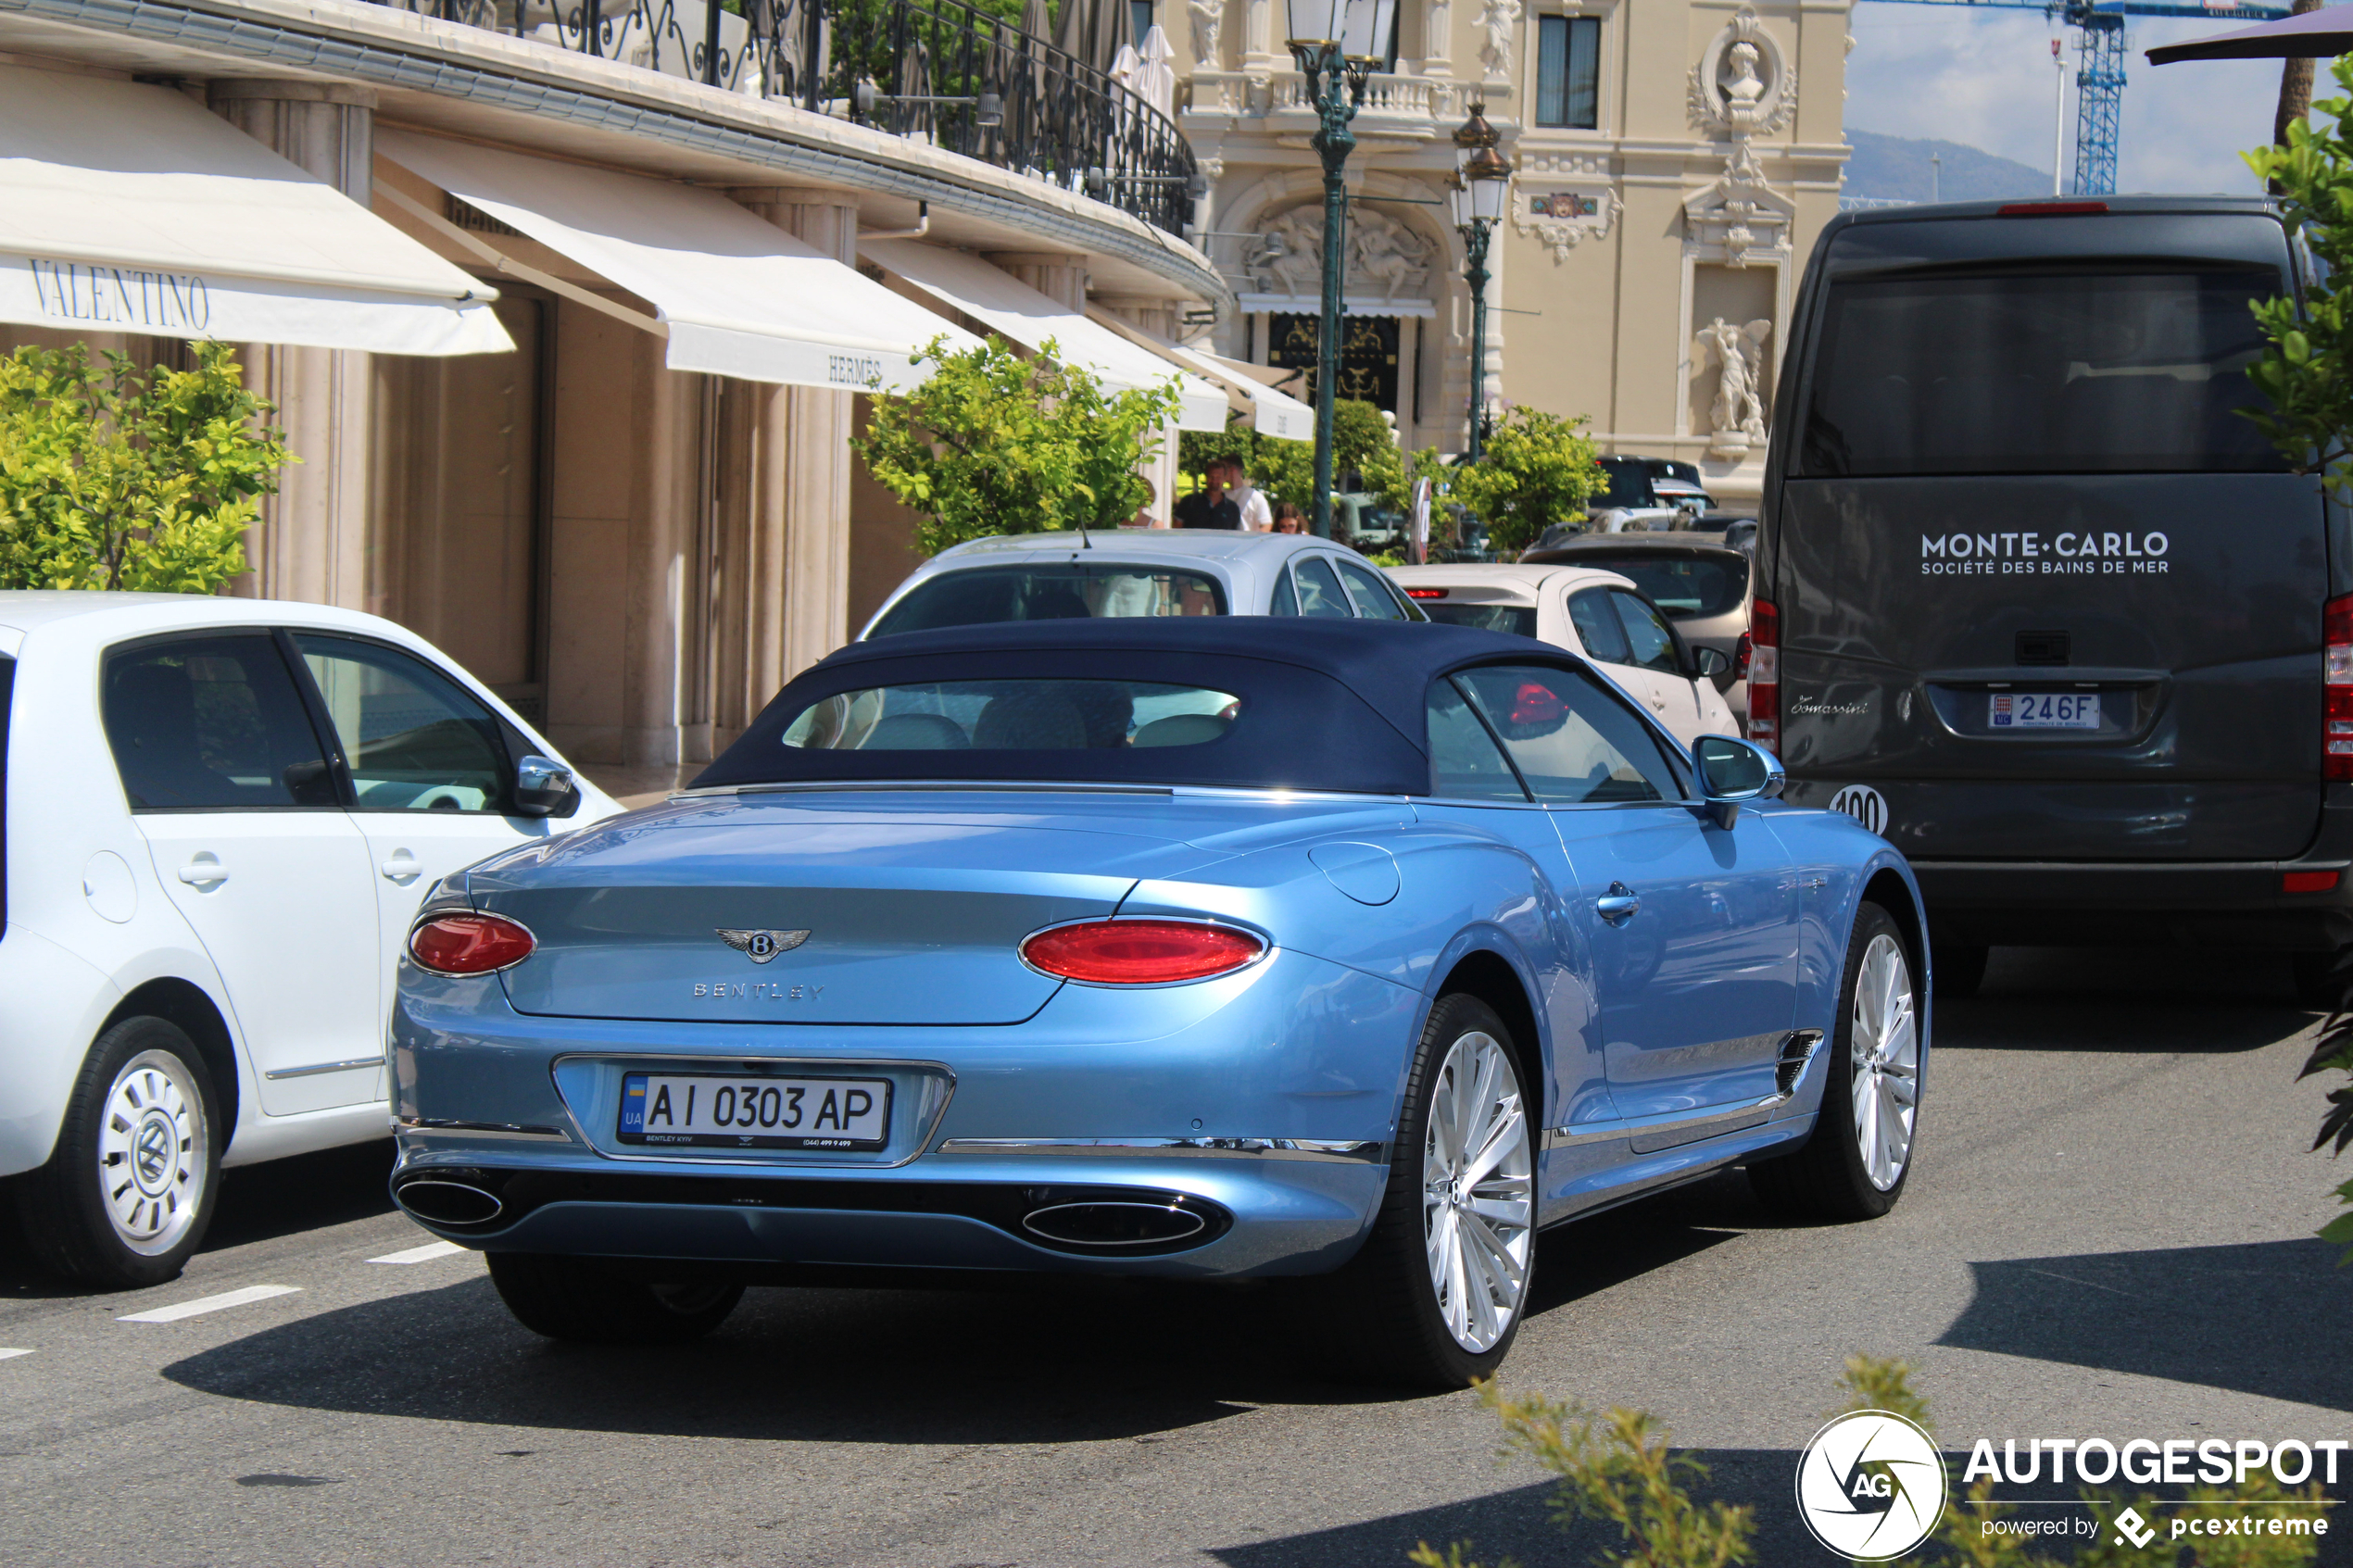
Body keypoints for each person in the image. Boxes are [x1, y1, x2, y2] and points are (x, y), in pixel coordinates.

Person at [1173, 458, 1241, 529]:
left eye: (1218, 477)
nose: (1214, 481)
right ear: (1206, 477)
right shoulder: (1188, 502)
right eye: (1211, 477)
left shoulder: (1232, 509)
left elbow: (1234, 536)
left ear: (1224, 479)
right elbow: (1176, 531)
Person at [1227, 460, 1274, 533]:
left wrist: (1254, 541)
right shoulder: (1221, 496)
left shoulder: (1255, 497)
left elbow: (1267, 525)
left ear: (1232, 470)